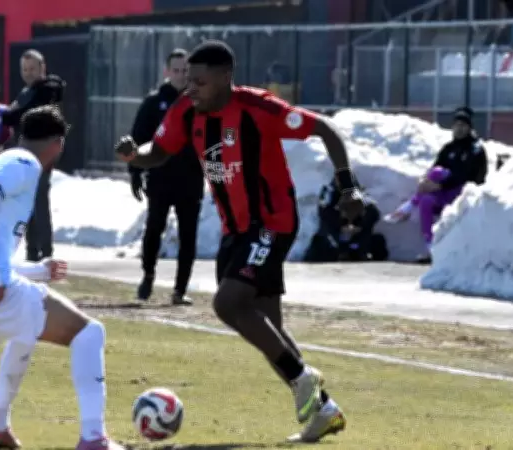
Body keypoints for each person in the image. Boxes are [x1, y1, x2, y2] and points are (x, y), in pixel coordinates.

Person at [115, 40, 361, 443]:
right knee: (268, 328)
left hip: (272, 222)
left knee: (228, 304)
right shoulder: (186, 108)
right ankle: (324, 410)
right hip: (235, 229)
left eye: (200, 82)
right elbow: (158, 151)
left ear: (225, 77)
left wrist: (347, 186)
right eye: (188, 80)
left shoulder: (259, 108)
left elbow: (326, 130)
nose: (191, 89)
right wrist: (134, 155)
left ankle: (304, 379)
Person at [0, 105, 123, 450]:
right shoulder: (24, 163)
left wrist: (37, 271)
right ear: (58, 143)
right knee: (89, 333)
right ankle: (94, 438)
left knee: (24, 334)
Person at [129, 48, 202, 306]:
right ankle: (148, 274)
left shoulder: (200, 101)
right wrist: (135, 172)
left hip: (191, 178)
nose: (181, 75)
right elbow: (138, 138)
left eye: (185, 70)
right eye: (176, 70)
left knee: (188, 234)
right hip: (160, 177)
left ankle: (180, 289)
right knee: (154, 228)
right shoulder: (154, 102)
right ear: (167, 71)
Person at [384, 107, 487, 263]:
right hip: (445, 193)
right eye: (456, 125)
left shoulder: (476, 149)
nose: (459, 129)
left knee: (438, 174)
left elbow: (467, 176)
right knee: (426, 200)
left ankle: (409, 206)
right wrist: (425, 182)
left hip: (465, 194)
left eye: (463, 125)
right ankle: (430, 246)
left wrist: (439, 186)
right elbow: (435, 168)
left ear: (469, 127)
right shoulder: (448, 148)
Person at [4, 49, 66, 262]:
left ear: (42, 68)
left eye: (32, 68)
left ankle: (46, 252)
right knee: (27, 202)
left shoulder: (48, 89)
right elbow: (12, 116)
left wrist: (12, 115)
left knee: (39, 201)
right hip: (25, 153)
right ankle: (32, 251)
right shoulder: (26, 92)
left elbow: (18, 114)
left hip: (43, 153)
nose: (28, 73)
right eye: (24, 69)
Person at [305, 176, 387, 263]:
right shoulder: (329, 200)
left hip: (358, 239)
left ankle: (362, 254)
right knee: (320, 242)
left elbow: (373, 213)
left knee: (377, 240)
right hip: (334, 238)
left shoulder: (361, 199)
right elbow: (325, 215)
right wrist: (341, 225)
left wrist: (359, 225)